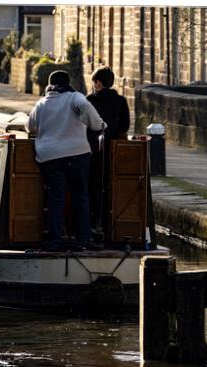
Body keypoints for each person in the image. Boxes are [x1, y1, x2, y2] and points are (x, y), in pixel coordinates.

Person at [26, 70, 105, 250]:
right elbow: (85, 107)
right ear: (68, 83)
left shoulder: (41, 103)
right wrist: (99, 124)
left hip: (50, 156)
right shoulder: (73, 97)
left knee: (56, 198)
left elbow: (30, 127)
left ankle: (55, 239)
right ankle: (82, 239)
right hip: (77, 154)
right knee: (80, 197)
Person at [86, 66, 130, 241]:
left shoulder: (89, 100)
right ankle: (110, 225)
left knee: (92, 187)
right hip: (114, 151)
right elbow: (124, 126)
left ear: (97, 83)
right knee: (111, 186)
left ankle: (91, 225)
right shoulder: (121, 101)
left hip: (90, 150)